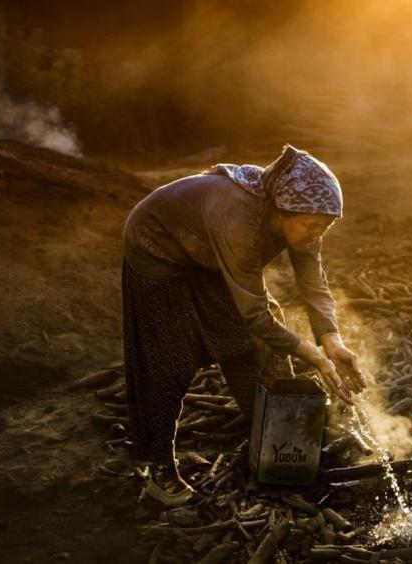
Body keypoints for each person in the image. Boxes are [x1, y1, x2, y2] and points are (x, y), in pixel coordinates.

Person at [121, 144, 364, 502]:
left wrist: (331, 340)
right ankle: (159, 468)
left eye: (325, 227)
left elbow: (314, 284)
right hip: (157, 252)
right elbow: (254, 315)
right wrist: (312, 356)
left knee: (256, 344)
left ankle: (273, 442)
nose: (317, 235)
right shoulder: (240, 221)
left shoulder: (301, 218)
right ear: (282, 212)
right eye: (312, 226)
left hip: (206, 255)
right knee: (170, 359)